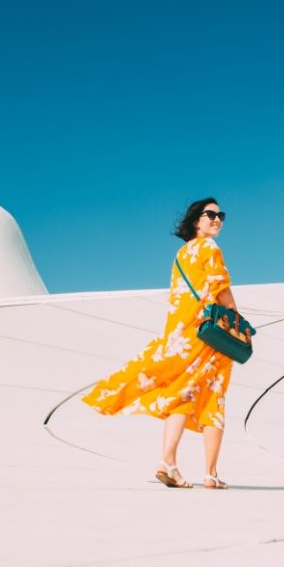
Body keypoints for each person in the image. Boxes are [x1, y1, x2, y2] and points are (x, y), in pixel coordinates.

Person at [82, 197, 243, 489]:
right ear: (197, 220)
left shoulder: (181, 254)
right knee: (214, 399)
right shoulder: (210, 248)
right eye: (211, 214)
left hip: (180, 334)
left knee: (182, 395)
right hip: (208, 334)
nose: (217, 219)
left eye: (221, 215)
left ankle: (168, 462)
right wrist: (236, 320)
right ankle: (210, 474)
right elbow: (221, 288)